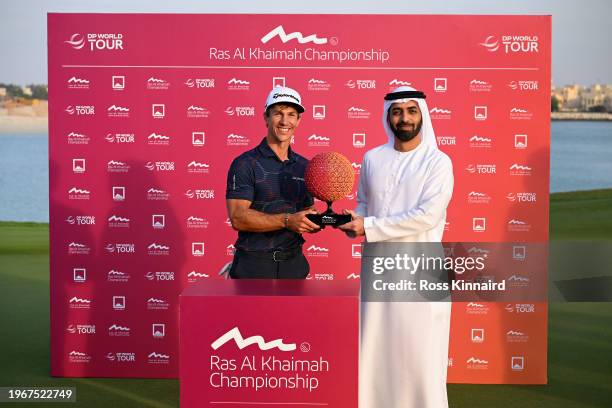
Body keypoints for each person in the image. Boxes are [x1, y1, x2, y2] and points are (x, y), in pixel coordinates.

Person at [339, 86, 454, 408]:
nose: (404, 118)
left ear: (422, 115)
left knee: (420, 355)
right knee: (375, 350)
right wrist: (353, 222)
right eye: (397, 111)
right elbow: (365, 203)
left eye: (411, 111)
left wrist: (369, 226)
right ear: (387, 116)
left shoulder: (437, 161)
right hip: (378, 270)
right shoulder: (372, 158)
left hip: (421, 273)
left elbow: (427, 217)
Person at [225, 86, 320, 279]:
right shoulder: (245, 163)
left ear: (298, 120)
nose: (285, 121)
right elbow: (238, 217)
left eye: (291, 114)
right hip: (253, 266)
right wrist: (287, 220)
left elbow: (307, 212)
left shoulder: (305, 166)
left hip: (294, 265)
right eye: (278, 113)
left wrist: (318, 220)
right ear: (266, 117)